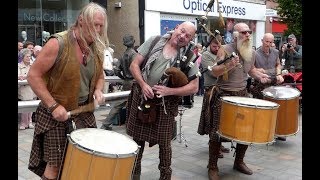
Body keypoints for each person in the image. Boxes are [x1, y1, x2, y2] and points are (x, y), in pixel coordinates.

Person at [27, 3, 108, 179]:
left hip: (84, 112)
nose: (99, 29)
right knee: (54, 166)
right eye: (95, 24)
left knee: (84, 159)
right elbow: (33, 76)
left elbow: (100, 76)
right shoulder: (58, 43)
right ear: (81, 20)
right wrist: (53, 106)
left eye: (101, 25)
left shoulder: (96, 47)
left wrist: (99, 91)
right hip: (55, 112)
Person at [126, 21, 198, 180]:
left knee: (165, 145)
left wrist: (169, 91)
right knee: (137, 142)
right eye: (182, 31)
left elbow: (194, 87)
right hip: (142, 97)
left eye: (188, 36)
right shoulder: (154, 41)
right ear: (177, 27)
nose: (182, 36)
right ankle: (134, 176)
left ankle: (165, 177)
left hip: (165, 105)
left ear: (190, 40)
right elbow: (134, 65)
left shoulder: (189, 57)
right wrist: (143, 84)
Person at [206, 22, 270, 179]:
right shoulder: (225, 50)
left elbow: (251, 70)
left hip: (242, 94)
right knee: (216, 133)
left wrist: (259, 76)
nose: (247, 34)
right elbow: (214, 72)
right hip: (224, 95)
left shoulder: (251, 52)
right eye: (243, 32)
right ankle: (212, 166)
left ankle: (239, 161)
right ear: (235, 35)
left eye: (249, 32)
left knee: (245, 130)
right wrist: (229, 65)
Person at [197, 33, 230, 159]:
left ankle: (219, 144)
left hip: (221, 90)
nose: (217, 48)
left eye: (218, 46)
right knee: (212, 121)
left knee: (221, 121)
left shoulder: (222, 53)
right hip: (211, 90)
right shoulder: (206, 55)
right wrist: (226, 66)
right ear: (210, 44)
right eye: (214, 45)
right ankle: (214, 147)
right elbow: (213, 73)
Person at [250, 33, 285, 140]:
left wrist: (278, 73)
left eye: (271, 42)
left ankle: (276, 131)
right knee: (262, 110)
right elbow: (252, 69)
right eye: (267, 42)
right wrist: (260, 72)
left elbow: (278, 65)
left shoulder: (275, 52)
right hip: (260, 85)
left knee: (276, 108)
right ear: (262, 40)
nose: (268, 44)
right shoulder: (255, 54)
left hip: (273, 83)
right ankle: (260, 132)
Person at [100, 34, 137, 130]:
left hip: (126, 81)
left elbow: (116, 70)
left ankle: (106, 124)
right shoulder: (134, 54)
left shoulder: (123, 55)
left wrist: (123, 76)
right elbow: (135, 68)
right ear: (133, 42)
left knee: (120, 104)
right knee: (134, 103)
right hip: (133, 82)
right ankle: (132, 125)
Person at [18, 48, 37, 130]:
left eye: (30, 56)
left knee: (32, 107)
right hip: (24, 89)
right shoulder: (19, 66)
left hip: (33, 89)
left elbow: (36, 74)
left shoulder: (33, 65)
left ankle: (30, 122)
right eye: (27, 56)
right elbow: (19, 76)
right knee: (25, 108)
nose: (29, 58)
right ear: (22, 57)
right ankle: (23, 123)